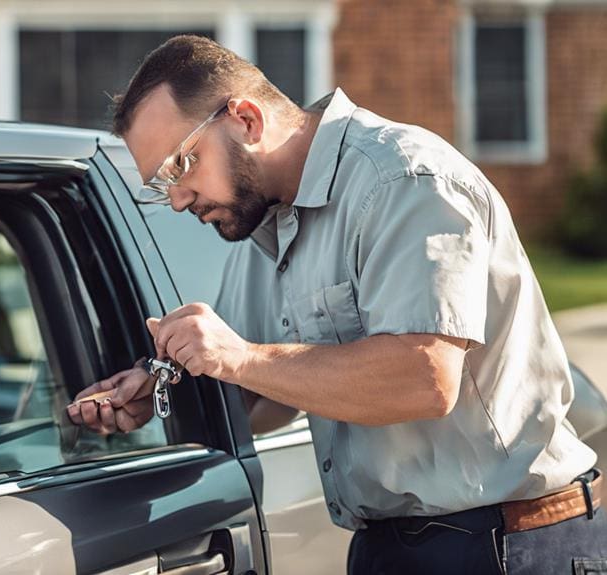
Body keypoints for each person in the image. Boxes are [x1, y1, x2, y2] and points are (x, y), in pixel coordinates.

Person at [66, 35, 606, 574]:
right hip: (390, 548)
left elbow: (424, 377)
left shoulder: (404, 181)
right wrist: (162, 388)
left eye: (180, 166)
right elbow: (263, 397)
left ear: (247, 120)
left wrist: (239, 356)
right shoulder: (263, 225)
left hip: (508, 544)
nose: (179, 199)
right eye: (161, 187)